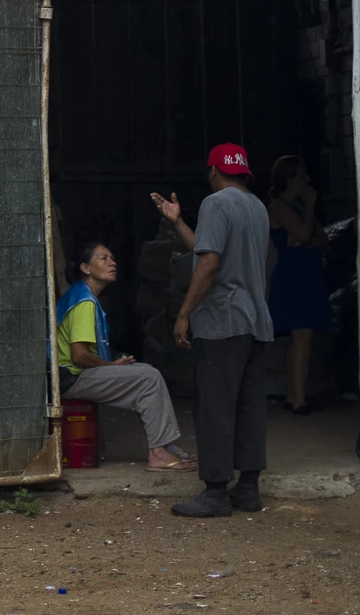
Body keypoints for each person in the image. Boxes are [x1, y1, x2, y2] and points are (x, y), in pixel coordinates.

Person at [149, 141, 275, 519]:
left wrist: (184, 314)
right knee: (250, 406)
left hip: (222, 321)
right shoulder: (257, 208)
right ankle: (248, 489)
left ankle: (216, 492)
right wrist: (178, 222)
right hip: (255, 321)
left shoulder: (215, 204)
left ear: (213, 172)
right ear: (244, 173)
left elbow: (209, 262)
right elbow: (209, 248)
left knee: (215, 407)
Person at [55, 241, 195, 471]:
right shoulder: (84, 303)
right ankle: (159, 452)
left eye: (112, 258)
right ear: (85, 268)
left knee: (146, 373)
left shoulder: (83, 296)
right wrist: (111, 366)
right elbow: (79, 355)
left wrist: (115, 364)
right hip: (73, 377)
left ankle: (164, 445)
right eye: (103, 258)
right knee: (148, 378)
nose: (112, 263)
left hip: (77, 374)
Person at [265, 155, 332, 414]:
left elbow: (321, 238)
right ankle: (297, 399)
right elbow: (305, 234)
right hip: (293, 276)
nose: (307, 181)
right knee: (301, 334)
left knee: (304, 336)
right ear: (289, 179)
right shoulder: (279, 207)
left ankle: (296, 395)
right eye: (302, 176)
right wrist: (306, 234)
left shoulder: (300, 208)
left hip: (308, 273)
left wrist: (307, 237)